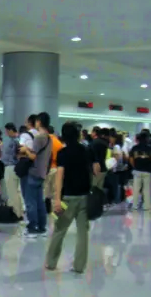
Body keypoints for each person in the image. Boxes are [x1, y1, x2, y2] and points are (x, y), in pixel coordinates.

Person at [45, 122, 95, 273]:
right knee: (82, 233)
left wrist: (57, 199)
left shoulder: (63, 153)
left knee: (60, 229)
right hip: (85, 197)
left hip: (67, 197)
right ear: (79, 135)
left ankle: (51, 262)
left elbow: (59, 177)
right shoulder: (87, 150)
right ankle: (79, 266)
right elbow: (93, 172)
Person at [19, 112, 53, 239]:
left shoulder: (39, 138)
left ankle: (32, 227)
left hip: (33, 172)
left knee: (30, 202)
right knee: (39, 202)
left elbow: (33, 155)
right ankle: (42, 227)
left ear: (39, 122)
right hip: (42, 173)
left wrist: (25, 150)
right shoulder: (49, 138)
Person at [1, 123, 23, 219]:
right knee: (16, 192)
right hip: (16, 167)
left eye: (6, 131)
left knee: (12, 191)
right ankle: (18, 212)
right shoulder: (18, 140)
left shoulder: (13, 141)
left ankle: (16, 213)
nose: (6, 133)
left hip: (10, 167)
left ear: (10, 130)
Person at [129, 131, 151, 211]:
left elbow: (131, 159)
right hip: (148, 171)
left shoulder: (134, 148)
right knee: (147, 189)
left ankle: (135, 205)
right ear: (147, 139)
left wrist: (135, 166)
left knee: (136, 189)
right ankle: (147, 206)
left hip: (137, 171)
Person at [44, 125, 64, 214]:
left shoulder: (45, 142)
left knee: (45, 191)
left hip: (46, 169)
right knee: (55, 192)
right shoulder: (59, 143)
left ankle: (45, 212)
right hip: (57, 169)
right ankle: (54, 211)